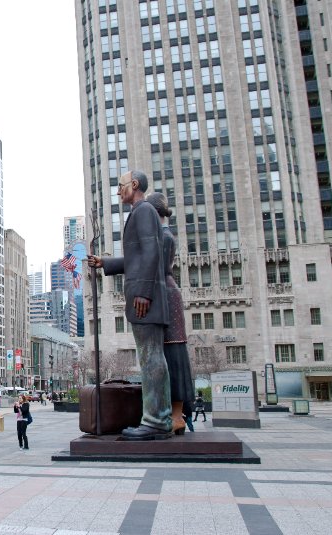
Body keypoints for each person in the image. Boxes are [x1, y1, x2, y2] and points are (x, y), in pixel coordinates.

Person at [87, 169, 172, 440]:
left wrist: (144, 293)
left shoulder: (144, 210)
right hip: (145, 295)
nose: (118, 190)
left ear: (134, 185)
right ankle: (158, 418)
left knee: (150, 357)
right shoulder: (141, 212)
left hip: (145, 298)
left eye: (121, 185)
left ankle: (156, 421)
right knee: (151, 356)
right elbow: (137, 258)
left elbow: (151, 253)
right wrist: (106, 262)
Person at [146, 192, 196, 436]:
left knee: (174, 354)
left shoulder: (163, 237)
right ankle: (173, 414)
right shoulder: (162, 235)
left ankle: (177, 415)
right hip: (164, 293)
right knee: (167, 353)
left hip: (165, 295)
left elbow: (155, 268)